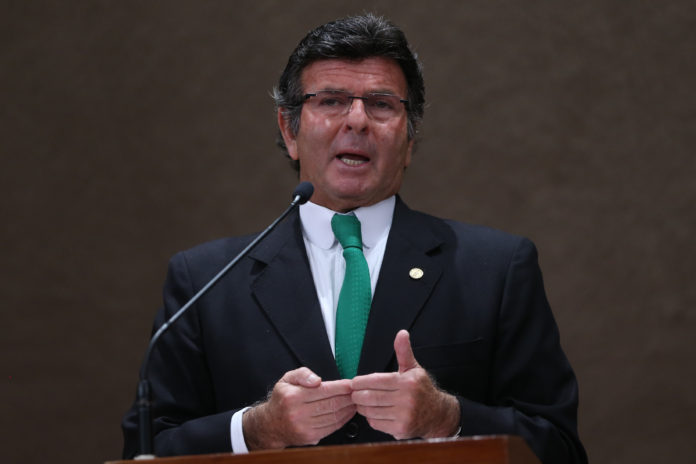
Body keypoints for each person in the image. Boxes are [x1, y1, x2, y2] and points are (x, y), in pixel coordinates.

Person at [122, 14, 587, 464]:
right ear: (289, 130)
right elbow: (146, 450)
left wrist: (448, 418)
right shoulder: (205, 281)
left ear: (410, 138)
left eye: (382, 104)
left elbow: (560, 448)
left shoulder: (495, 269)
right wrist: (257, 430)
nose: (358, 120)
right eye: (331, 101)